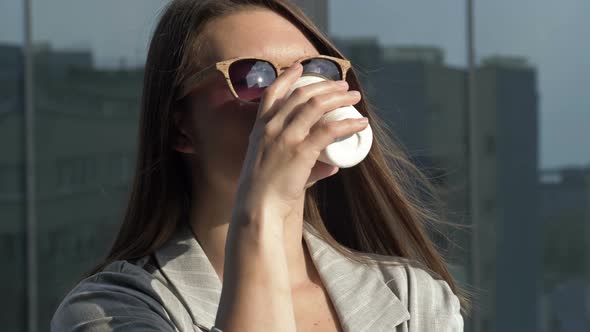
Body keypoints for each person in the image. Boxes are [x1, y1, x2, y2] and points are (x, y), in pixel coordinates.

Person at [51, 0, 470, 331]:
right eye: (254, 77)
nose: (293, 97)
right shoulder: (110, 310)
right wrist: (264, 209)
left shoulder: (414, 299)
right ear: (180, 128)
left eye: (314, 71)